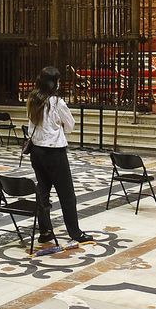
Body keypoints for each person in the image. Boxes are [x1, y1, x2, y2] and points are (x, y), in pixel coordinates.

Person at [27, 66, 91, 249]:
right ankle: (75, 232)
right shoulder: (56, 102)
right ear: (53, 83)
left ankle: (45, 231)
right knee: (67, 195)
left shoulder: (32, 99)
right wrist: (59, 128)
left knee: (43, 192)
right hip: (54, 152)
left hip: (36, 151)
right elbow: (70, 125)